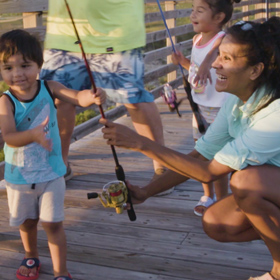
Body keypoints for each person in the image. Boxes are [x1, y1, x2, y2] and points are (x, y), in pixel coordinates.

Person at [100, 16, 280, 280]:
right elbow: (199, 157)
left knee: (245, 181)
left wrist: (141, 143)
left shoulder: (274, 113)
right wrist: (147, 191)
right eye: (219, 54)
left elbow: (208, 172)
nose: (216, 63)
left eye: (227, 59)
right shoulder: (235, 101)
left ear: (255, 71)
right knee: (216, 223)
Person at [0, 29, 106, 280]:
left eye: (25, 65)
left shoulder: (50, 87)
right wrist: (33, 135)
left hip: (51, 173)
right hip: (19, 177)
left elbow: (76, 97)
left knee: (53, 223)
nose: (17, 74)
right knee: (27, 222)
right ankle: (31, 255)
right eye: (7, 67)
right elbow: (10, 138)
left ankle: (60, 271)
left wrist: (90, 96)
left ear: (39, 65)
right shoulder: (5, 101)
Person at [39, 0, 169, 194]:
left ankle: (163, 166)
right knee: (59, 98)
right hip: (64, 34)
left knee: (134, 99)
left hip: (117, 29)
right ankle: (60, 163)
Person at [171, 0, 240, 216]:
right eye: (192, 10)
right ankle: (207, 195)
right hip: (199, 108)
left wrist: (204, 64)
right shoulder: (197, 39)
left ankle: (222, 201)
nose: (193, 14)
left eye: (200, 11)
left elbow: (213, 56)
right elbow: (197, 71)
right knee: (201, 152)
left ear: (218, 18)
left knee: (218, 157)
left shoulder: (224, 39)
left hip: (220, 109)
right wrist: (184, 62)